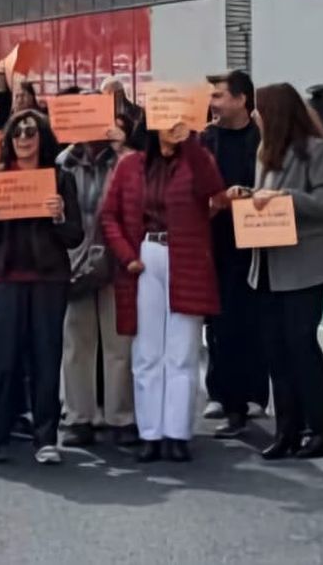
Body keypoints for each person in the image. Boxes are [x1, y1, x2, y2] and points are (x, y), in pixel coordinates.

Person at [99, 116, 224, 463]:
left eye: (178, 120)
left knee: (183, 350)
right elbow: (109, 215)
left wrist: (191, 145)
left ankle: (177, 433)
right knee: (146, 351)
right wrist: (127, 256)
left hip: (187, 258)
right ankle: (150, 433)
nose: (172, 126)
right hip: (146, 256)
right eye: (166, 119)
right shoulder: (130, 165)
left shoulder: (197, 160)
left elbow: (214, 191)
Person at [0, 111, 83, 465]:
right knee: (0, 362)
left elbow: (74, 236)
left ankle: (45, 439)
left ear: (41, 137)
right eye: (16, 132)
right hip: (2, 279)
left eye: (30, 131)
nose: (23, 137)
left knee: (45, 359)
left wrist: (59, 217)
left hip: (47, 280)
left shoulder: (60, 179)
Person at [244, 83, 323, 459]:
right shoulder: (265, 152)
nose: (255, 115)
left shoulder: (317, 150)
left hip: (306, 264)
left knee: (301, 344)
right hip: (269, 263)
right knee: (276, 349)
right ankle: (287, 429)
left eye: (260, 109)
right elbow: (263, 200)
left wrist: (284, 198)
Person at [57, 114, 136, 447]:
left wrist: (123, 149)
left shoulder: (124, 159)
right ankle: (79, 417)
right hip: (75, 259)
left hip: (117, 257)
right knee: (77, 342)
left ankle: (121, 417)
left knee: (119, 342)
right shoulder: (64, 162)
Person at [200, 70, 267, 438]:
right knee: (219, 323)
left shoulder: (262, 139)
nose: (213, 102)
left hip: (257, 242)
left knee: (254, 321)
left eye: (220, 95)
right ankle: (221, 394)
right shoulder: (205, 139)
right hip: (216, 241)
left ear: (242, 100)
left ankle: (256, 392)